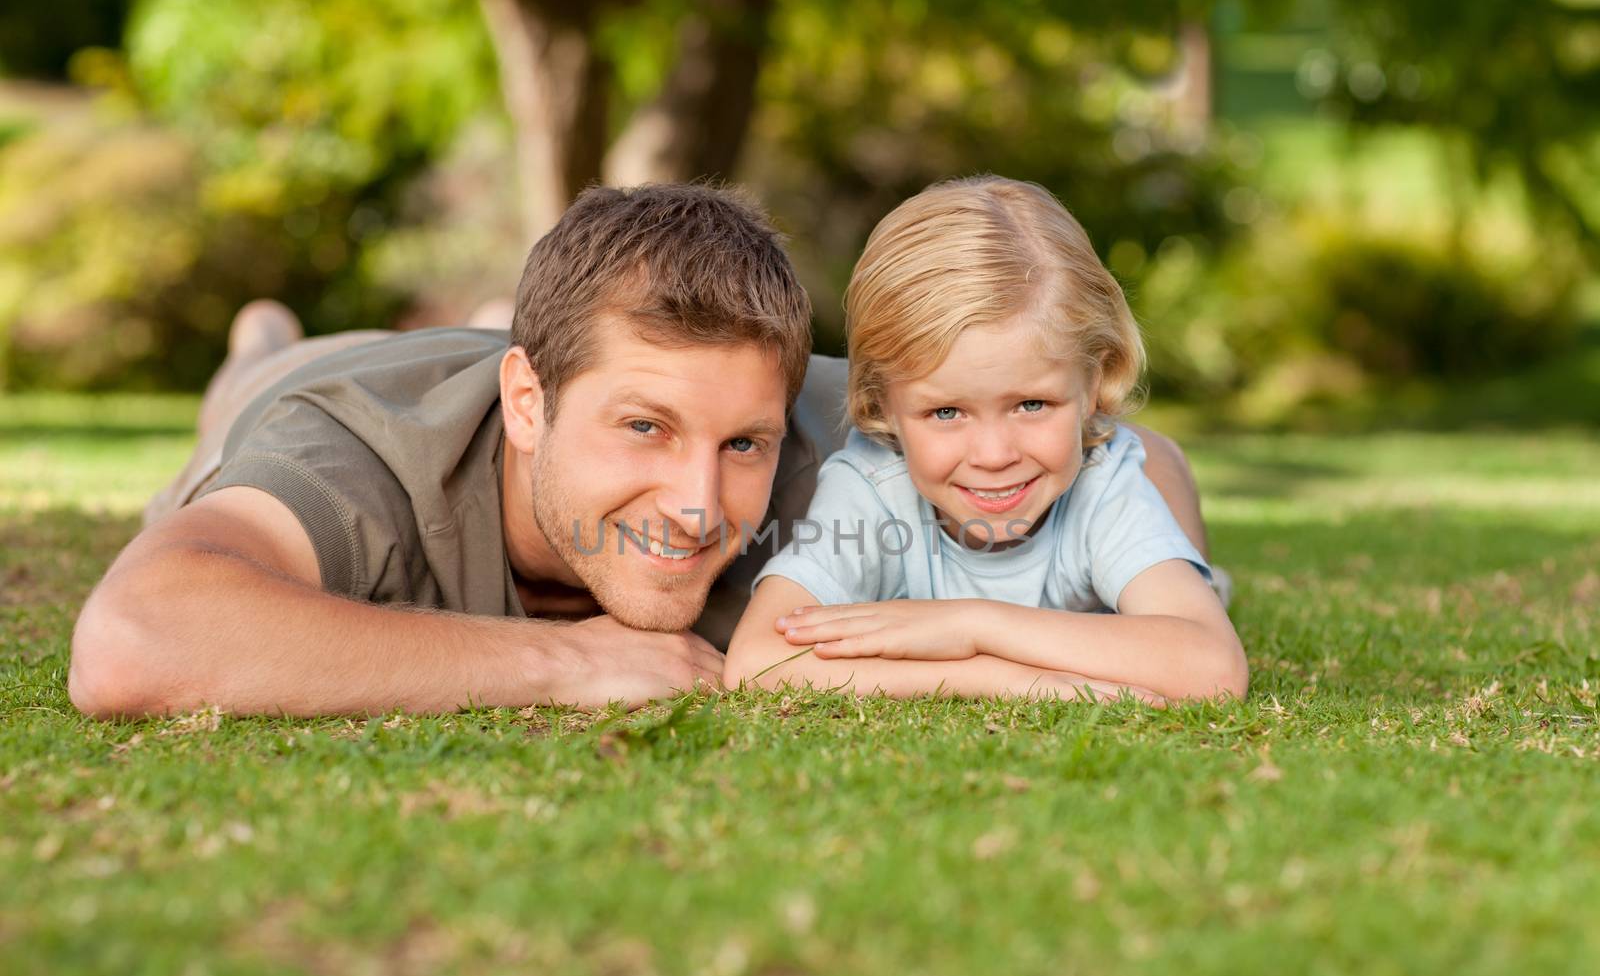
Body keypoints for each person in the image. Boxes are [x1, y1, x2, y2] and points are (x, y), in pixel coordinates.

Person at [69, 181, 1215, 719]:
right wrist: (569, 663)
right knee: (258, 389)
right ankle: (266, 341)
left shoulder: (831, 435)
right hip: (339, 384)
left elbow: (1138, 454)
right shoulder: (354, 455)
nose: (695, 501)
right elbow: (134, 642)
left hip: (513, 356)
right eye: (643, 427)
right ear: (529, 404)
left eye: (741, 443)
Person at [724, 177, 1247, 704]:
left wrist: (971, 625)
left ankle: (1189, 571)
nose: (995, 456)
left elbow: (1211, 668)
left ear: (1093, 383)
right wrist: (1006, 679)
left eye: (1031, 405)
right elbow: (757, 659)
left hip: (1131, 497)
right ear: (883, 406)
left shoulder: (1102, 482)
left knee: (1151, 467)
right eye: (946, 412)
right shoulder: (872, 485)